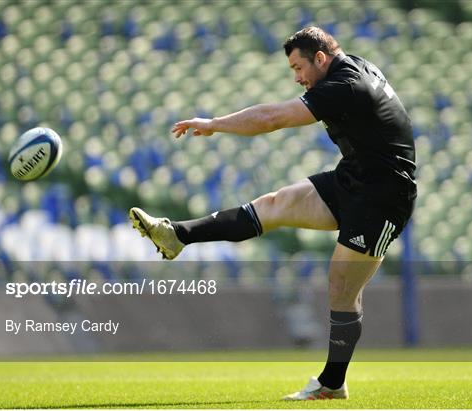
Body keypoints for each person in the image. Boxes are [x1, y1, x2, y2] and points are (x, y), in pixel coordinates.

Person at [129, 26, 416, 400]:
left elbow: (272, 119)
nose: (297, 78)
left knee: (341, 288)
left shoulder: (346, 85)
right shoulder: (351, 68)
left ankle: (332, 383)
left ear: (321, 58)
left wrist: (215, 124)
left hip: (383, 196)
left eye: (299, 68)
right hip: (355, 178)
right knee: (273, 205)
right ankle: (177, 235)